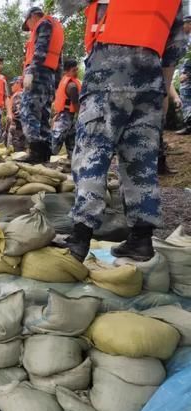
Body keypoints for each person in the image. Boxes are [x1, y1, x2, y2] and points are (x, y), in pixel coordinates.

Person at [61, 0, 185, 262]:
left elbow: (68, 4)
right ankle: (141, 240)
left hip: (109, 71)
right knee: (141, 161)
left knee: (92, 153)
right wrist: (162, 91)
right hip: (151, 79)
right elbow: (174, 49)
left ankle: (80, 238)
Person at [21, 7, 65, 163]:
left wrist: (31, 71)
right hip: (49, 77)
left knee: (29, 112)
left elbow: (41, 49)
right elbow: (59, 58)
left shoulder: (44, 23)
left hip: (38, 74)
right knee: (44, 115)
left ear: (32, 16)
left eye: (28, 25)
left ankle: (35, 153)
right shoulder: (56, 26)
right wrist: (58, 82)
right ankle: (45, 153)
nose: (30, 29)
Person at [51, 59, 81, 157]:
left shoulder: (69, 82)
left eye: (77, 69)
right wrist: (81, 114)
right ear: (66, 71)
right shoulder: (71, 85)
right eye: (73, 70)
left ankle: (72, 162)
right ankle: (47, 159)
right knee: (56, 141)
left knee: (72, 141)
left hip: (70, 116)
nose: (76, 72)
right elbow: (75, 103)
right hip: (64, 116)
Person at [175, 16, 191, 135]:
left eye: (184, 24)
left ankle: (189, 125)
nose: (182, 27)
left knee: (186, 98)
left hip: (188, 76)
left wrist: (187, 74)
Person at [7, 76, 27, 152]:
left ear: (18, 83)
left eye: (13, 84)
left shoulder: (18, 95)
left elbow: (19, 115)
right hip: (19, 130)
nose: (11, 86)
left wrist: (13, 128)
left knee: (17, 151)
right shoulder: (22, 94)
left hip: (17, 131)